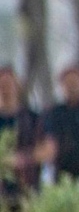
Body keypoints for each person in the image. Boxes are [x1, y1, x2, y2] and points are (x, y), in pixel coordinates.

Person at [0, 65, 42, 201]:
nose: (6, 89)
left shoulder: (32, 118)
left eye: (9, 84)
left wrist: (24, 159)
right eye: (2, 85)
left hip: (27, 187)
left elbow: (48, 148)